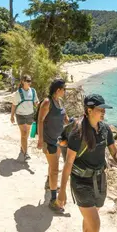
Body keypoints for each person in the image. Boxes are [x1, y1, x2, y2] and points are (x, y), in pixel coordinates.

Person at [57, 94, 117, 232]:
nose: (104, 112)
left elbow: (114, 151)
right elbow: (68, 163)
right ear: (89, 110)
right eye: (100, 109)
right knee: (95, 224)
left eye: (104, 109)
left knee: (90, 222)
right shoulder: (77, 132)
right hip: (81, 182)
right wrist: (62, 192)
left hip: (100, 181)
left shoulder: (105, 129)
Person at [37, 78, 69, 212]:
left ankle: (50, 184)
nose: (65, 91)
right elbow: (40, 120)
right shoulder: (47, 102)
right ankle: (53, 200)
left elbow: (66, 119)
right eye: (64, 89)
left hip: (59, 140)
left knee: (53, 167)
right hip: (49, 141)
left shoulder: (59, 102)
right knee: (55, 169)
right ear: (58, 90)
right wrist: (40, 140)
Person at [10, 74, 39, 161]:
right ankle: (26, 153)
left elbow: (36, 103)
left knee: (26, 135)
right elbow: (14, 105)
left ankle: (22, 148)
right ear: (23, 81)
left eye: (30, 81)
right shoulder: (18, 93)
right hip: (20, 115)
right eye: (28, 81)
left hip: (30, 115)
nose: (29, 83)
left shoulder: (33, 91)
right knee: (24, 133)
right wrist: (12, 116)